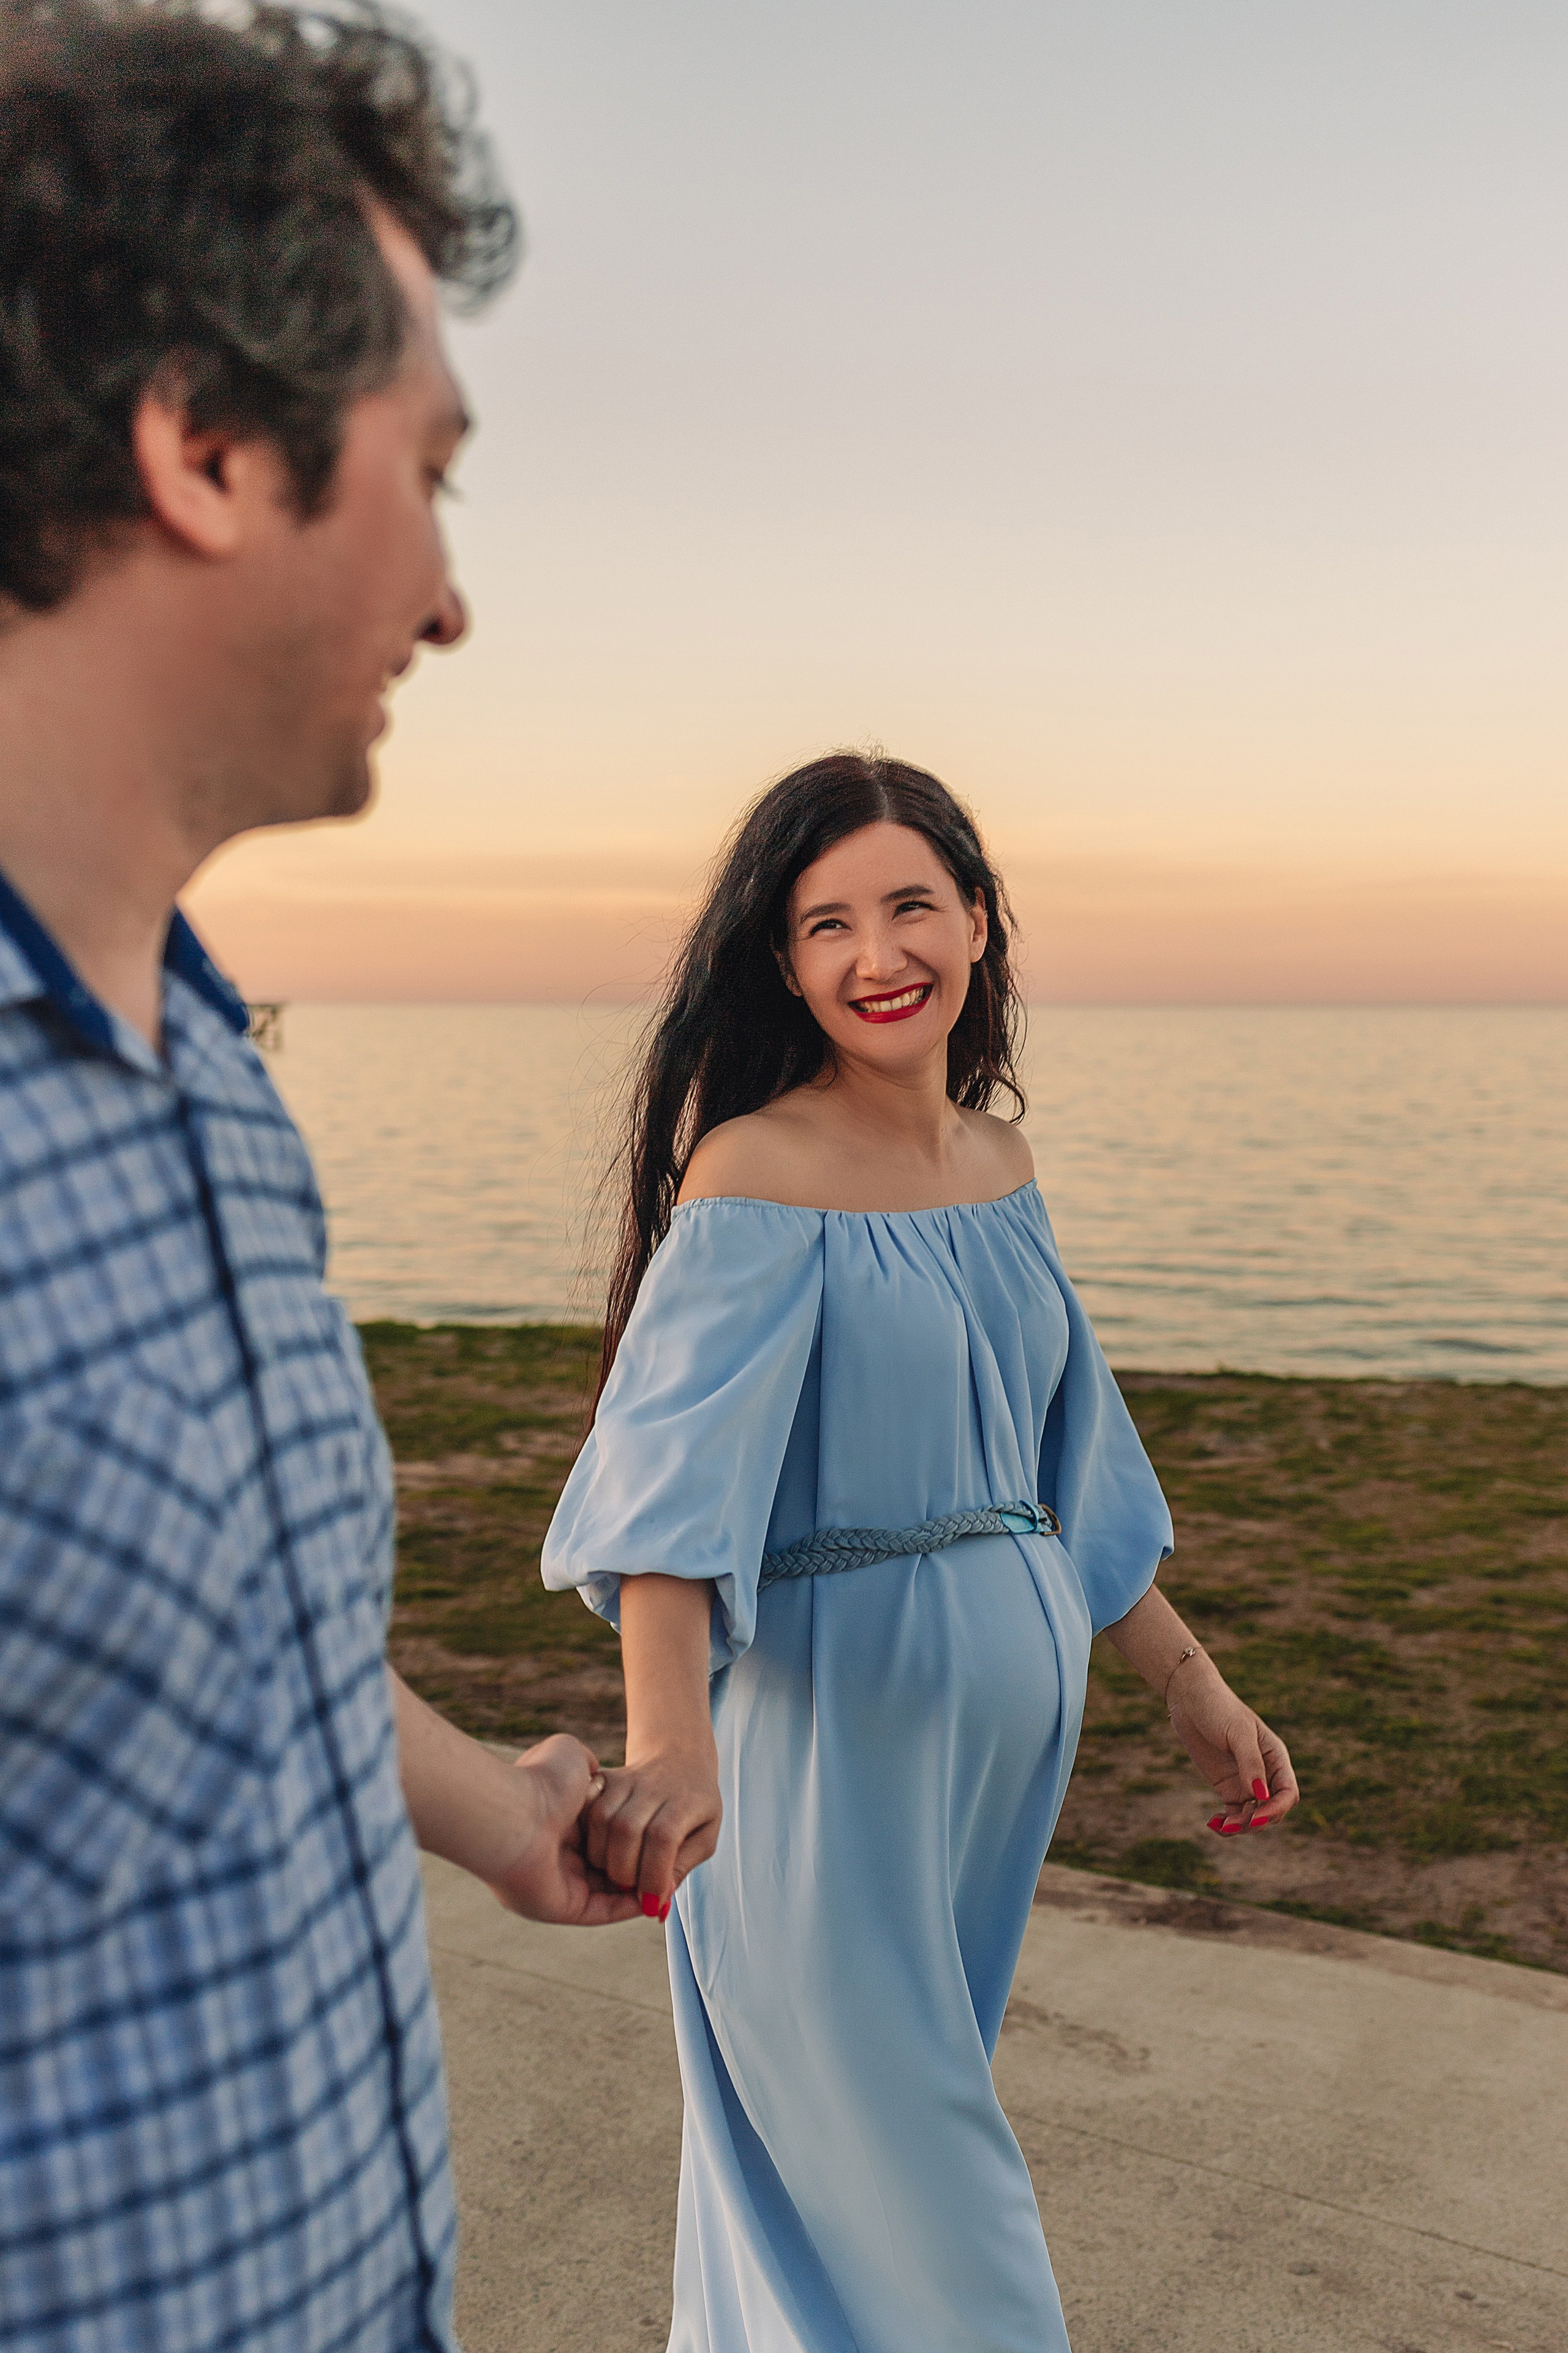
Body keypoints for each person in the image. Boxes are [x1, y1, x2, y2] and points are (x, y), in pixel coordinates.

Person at [0, 6, 639, 2349]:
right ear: (205, 449)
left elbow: (199, 1639)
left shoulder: (217, 1088)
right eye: (427, 470)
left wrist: (500, 1809)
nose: (451, 595)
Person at [543, 753, 1301, 2352]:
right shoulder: (755, 1175)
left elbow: (1066, 1464)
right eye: (828, 924)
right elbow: (670, 1502)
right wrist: (669, 1750)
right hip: (826, 1759)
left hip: (985, 1780)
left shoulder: (999, 1167)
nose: (877, 956)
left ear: (978, 919)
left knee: (858, 2213)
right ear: (783, 961)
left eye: (910, 906)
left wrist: (1191, 1681)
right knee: (934, 2222)